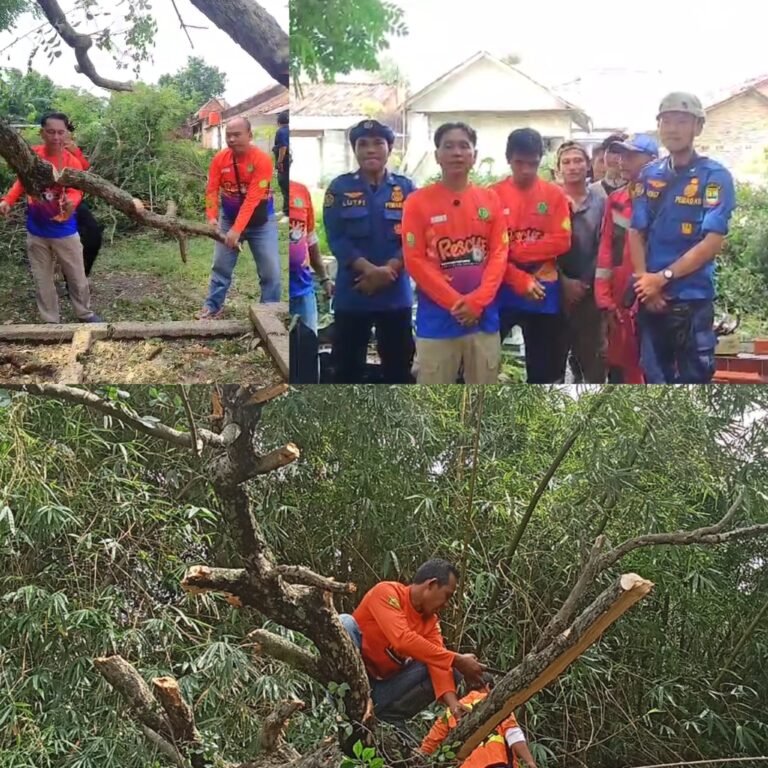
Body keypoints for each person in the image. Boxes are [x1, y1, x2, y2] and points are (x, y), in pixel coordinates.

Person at [629, 92, 736, 383]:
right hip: (651, 299)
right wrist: (643, 283)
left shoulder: (714, 177)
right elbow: (635, 231)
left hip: (692, 301)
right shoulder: (648, 175)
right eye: (667, 121)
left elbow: (712, 242)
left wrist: (660, 278)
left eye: (681, 121)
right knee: (653, 381)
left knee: (695, 380)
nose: (673, 128)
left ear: (697, 127)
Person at [402, 122, 507, 384]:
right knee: (431, 401)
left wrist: (478, 302)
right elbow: (414, 260)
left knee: (484, 401)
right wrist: (456, 304)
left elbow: (499, 254)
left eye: (464, 146)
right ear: (437, 156)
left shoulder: (490, 199)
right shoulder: (417, 202)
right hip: (437, 321)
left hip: (484, 319)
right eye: (448, 146)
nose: (457, 153)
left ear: (474, 155)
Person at [339, 559, 486, 727]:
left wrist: (454, 707)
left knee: (445, 665)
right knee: (345, 623)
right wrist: (458, 659)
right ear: (431, 584)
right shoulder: (387, 592)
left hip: (381, 691)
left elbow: (440, 666)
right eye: (447, 595)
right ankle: (343, 702)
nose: (446, 604)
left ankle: (389, 719)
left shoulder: (430, 624)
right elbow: (402, 639)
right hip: (349, 685)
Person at [324, 119, 416, 383]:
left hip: (395, 294)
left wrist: (390, 269)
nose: (370, 150)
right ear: (355, 150)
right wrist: (369, 270)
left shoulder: (406, 188)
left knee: (399, 370)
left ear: (389, 148)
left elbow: (415, 237)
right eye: (362, 144)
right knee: (346, 369)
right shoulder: (340, 188)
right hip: (353, 292)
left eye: (378, 143)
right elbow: (336, 236)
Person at [0, 111, 102, 323]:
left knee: (77, 276)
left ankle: (84, 313)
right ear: (42, 133)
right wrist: (7, 200)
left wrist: (72, 202)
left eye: (60, 133)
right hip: (36, 230)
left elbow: (77, 188)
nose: (56, 137)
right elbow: (21, 182)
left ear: (66, 134)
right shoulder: (32, 156)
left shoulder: (71, 160)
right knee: (42, 279)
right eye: (51, 132)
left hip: (65, 230)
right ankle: (50, 321)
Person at [491, 128, 572, 384]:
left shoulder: (554, 195)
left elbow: (562, 241)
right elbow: (489, 249)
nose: (526, 170)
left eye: (533, 163)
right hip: (501, 289)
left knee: (544, 371)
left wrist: (514, 251)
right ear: (508, 159)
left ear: (540, 160)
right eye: (519, 163)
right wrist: (517, 275)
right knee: (483, 364)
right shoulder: (491, 195)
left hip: (543, 292)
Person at [198, 117, 280, 319]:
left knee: (271, 272)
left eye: (237, 134)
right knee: (221, 266)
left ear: (250, 136)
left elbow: (253, 198)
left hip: (262, 222)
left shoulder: (262, 161)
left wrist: (236, 230)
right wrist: (211, 217)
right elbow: (211, 190)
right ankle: (213, 306)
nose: (232, 139)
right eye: (229, 135)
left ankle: (269, 313)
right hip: (228, 219)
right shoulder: (220, 159)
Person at [595, 135, 659, 383]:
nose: (623, 162)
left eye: (631, 156)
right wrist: (604, 299)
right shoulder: (616, 200)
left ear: (653, 161)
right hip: (622, 301)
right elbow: (606, 253)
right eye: (621, 155)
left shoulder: (669, 201)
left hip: (656, 296)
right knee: (623, 369)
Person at [555, 141, 607, 383]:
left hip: (590, 293)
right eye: (566, 162)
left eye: (578, 161)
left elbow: (605, 246)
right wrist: (563, 282)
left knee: (592, 360)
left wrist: (583, 283)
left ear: (588, 167)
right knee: (553, 359)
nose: (572, 167)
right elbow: (541, 246)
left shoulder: (601, 201)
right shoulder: (549, 201)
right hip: (554, 290)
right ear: (558, 169)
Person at [420, 674, 538, 768]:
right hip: (494, 761)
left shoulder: (452, 711)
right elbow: (513, 734)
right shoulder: (497, 705)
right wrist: (530, 762)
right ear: (488, 687)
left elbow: (429, 744)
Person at [289, 175, 333, 333]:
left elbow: (311, 238)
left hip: (303, 288)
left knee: (307, 349)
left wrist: (324, 278)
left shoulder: (301, 191)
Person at [63, 120, 103, 277]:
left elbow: (85, 171)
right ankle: (70, 279)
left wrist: (75, 152)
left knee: (93, 235)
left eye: (68, 134)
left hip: (77, 201)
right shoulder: (46, 152)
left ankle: (82, 275)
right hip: (53, 202)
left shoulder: (72, 151)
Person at [589, 133, 629, 199]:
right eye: (610, 152)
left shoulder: (634, 189)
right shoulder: (592, 191)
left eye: (619, 152)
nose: (614, 157)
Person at [273, 110, 290, 218]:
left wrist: (279, 161)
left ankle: (288, 213)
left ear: (278, 121)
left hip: (284, 162)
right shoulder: (288, 130)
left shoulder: (281, 131)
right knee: (286, 187)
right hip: (288, 161)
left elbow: (283, 147)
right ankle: (285, 210)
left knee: (285, 186)